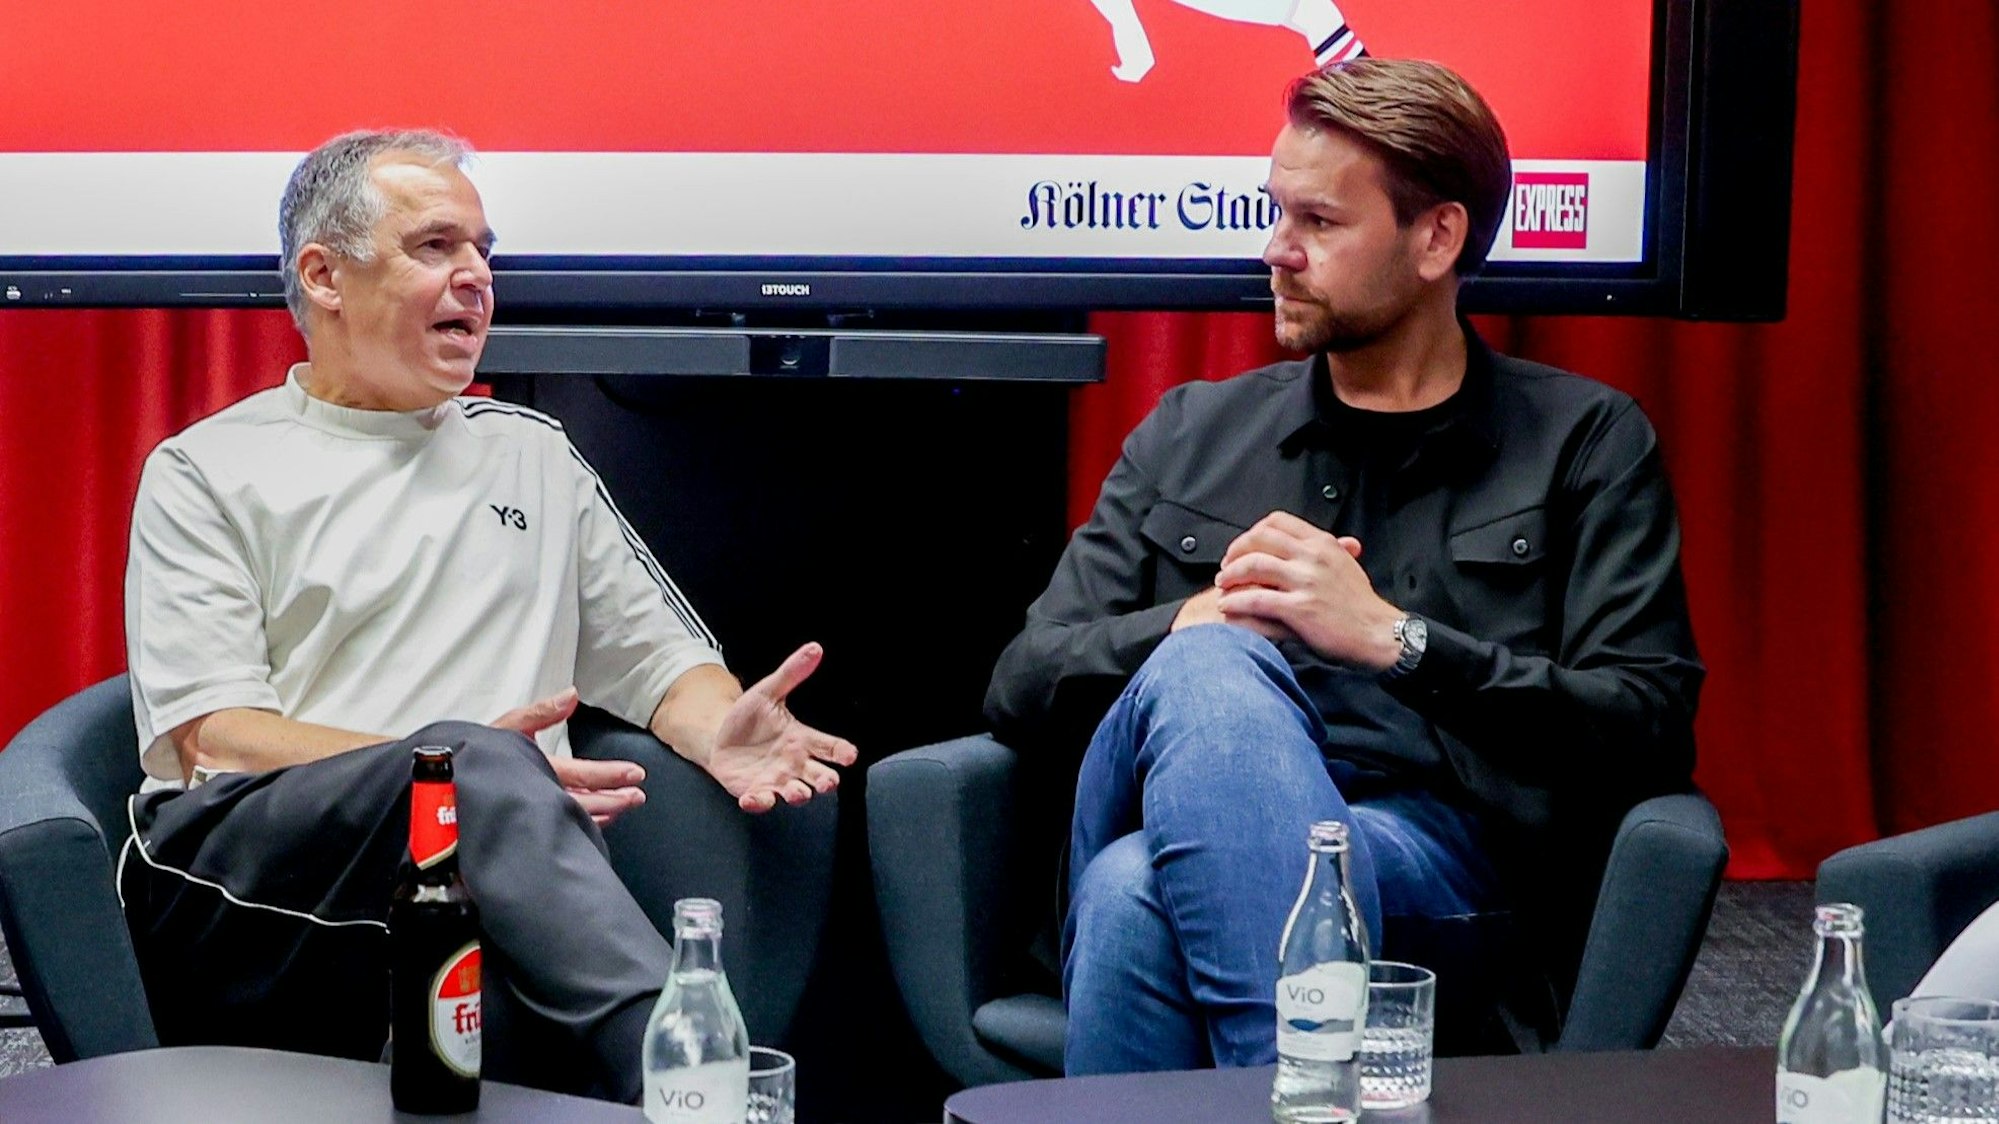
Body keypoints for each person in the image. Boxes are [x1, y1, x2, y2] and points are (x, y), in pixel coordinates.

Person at [984, 58, 1704, 1074]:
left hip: (1433, 859)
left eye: (1319, 223)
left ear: (1436, 237)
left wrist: (1396, 643)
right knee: (1207, 667)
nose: (1276, 250)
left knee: (1134, 892)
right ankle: (1308, 1094)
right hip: (1162, 793)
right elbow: (1022, 681)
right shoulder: (1191, 430)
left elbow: (1643, 724)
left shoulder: (1582, 441)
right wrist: (1191, 623)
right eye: (1276, 212)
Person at [117, 129, 856, 1101]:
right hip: (246, 874)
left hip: (476, 867)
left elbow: (659, 657)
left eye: (482, 251)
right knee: (469, 765)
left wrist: (721, 728)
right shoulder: (205, 468)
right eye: (435, 248)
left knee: (488, 958)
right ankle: (695, 1087)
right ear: (325, 276)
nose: (475, 277)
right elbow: (217, 732)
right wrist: (447, 767)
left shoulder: (530, 457)